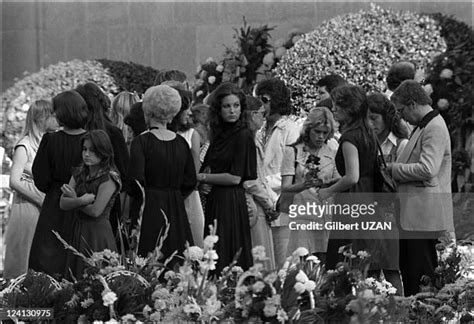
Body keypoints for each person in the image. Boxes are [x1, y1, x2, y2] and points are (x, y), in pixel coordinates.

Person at [387, 80, 454, 296]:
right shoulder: (423, 126)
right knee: (412, 275)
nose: (401, 117)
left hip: (423, 216)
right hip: (413, 215)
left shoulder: (433, 126)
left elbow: (428, 169)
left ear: (413, 104)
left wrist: (393, 169)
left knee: (422, 277)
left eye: (401, 110)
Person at [129, 85, 196, 261]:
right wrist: (174, 195)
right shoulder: (181, 143)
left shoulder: (141, 142)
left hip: (149, 206)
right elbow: (190, 180)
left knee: (147, 259)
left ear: (148, 111)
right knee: (176, 259)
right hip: (175, 207)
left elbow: (135, 180)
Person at [198, 82, 257, 273]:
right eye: (227, 106)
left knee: (228, 254)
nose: (232, 111)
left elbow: (234, 178)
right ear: (219, 109)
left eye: (236, 105)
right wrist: (205, 180)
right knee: (214, 255)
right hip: (215, 199)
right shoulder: (218, 133)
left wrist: (203, 177)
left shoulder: (244, 134)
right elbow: (208, 164)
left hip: (231, 200)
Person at [319, 85, 378, 270]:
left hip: (353, 199)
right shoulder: (368, 133)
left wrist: (327, 191)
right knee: (361, 256)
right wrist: (336, 181)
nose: (333, 109)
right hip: (368, 195)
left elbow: (353, 176)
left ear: (350, 109)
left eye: (337, 105)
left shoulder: (349, 137)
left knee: (344, 257)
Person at [30, 91, 88, 277]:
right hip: (85, 200)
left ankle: (45, 300)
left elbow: (40, 176)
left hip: (55, 200)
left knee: (48, 254)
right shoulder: (92, 138)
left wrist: (54, 188)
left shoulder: (51, 140)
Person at [4, 100, 55, 280]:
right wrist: (39, 199)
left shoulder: (47, 143)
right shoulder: (24, 145)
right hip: (28, 206)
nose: (56, 119)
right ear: (41, 118)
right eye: (51, 115)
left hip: (43, 206)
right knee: (23, 256)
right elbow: (14, 181)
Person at [60, 130, 121, 278]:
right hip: (78, 229)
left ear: (103, 151)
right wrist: (80, 200)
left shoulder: (109, 178)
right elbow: (62, 203)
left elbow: (95, 211)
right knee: (76, 278)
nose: (87, 154)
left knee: (97, 277)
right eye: (84, 149)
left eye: (92, 151)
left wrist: (74, 200)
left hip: (98, 233)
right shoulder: (79, 173)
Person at [282, 107, 340, 262]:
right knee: (302, 267)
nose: (321, 136)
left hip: (326, 217)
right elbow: (285, 187)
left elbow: (339, 180)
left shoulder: (332, 151)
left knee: (324, 266)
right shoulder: (293, 151)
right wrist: (304, 184)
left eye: (325, 133)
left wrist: (326, 183)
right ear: (308, 129)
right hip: (302, 217)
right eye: (317, 132)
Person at [366, 92, 409, 294]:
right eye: (366, 118)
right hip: (368, 212)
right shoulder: (366, 143)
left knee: (391, 269)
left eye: (374, 118)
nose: (370, 123)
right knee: (369, 270)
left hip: (392, 214)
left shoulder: (401, 145)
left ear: (387, 118)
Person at [254, 78, 300, 268]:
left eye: (264, 100)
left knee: (284, 266)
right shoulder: (259, 131)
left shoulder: (291, 129)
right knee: (266, 266)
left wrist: (268, 191)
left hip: (283, 205)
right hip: (261, 204)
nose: (261, 106)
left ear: (277, 100)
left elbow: (293, 170)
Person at [75, 82, 129, 240]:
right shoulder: (114, 132)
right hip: (108, 205)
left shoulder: (78, 133)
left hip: (88, 204)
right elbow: (125, 174)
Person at [242, 96, 278, 269]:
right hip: (254, 203)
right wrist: (268, 203)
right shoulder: (247, 139)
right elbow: (251, 180)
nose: (264, 119)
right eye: (262, 114)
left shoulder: (250, 138)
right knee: (260, 257)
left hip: (258, 201)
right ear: (252, 114)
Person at [169, 87, 205, 247]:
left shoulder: (191, 134)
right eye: (186, 108)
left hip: (189, 197)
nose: (190, 113)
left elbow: (194, 174)